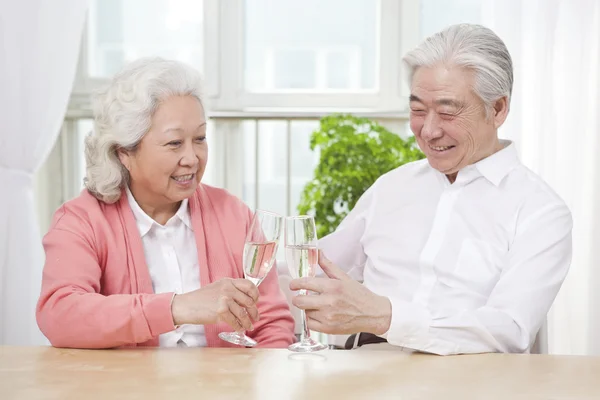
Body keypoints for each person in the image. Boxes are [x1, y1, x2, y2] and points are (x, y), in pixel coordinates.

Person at [290, 24, 573, 355]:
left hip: (467, 380)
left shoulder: (540, 211)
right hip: (362, 370)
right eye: (417, 110)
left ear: (497, 109)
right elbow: (315, 265)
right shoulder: (392, 187)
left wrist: (386, 318)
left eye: (448, 111)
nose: (429, 130)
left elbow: (508, 329)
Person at [36, 58, 295, 349]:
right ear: (124, 151)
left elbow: (272, 324)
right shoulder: (81, 220)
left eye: (199, 138)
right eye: (174, 143)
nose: (192, 158)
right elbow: (60, 315)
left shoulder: (233, 214)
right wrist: (177, 308)